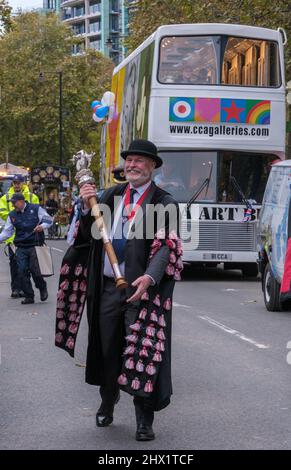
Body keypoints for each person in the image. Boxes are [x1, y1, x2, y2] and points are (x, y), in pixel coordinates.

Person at [55, 139, 183, 442]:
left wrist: (150, 278)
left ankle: (143, 419)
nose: (133, 165)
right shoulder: (110, 197)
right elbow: (88, 236)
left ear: (152, 167)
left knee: (142, 350)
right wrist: (87, 208)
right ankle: (107, 400)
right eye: (129, 160)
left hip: (143, 291)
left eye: (140, 161)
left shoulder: (162, 202)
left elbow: (166, 247)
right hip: (110, 288)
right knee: (107, 347)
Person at [0, 193, 53, 304]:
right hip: (21, 246)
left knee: (35, 270)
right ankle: (29, 296)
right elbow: (7, 232)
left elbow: (49, 220)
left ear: (22, 201)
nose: (13, 205)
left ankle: (42, 287)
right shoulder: (12, 215)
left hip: (35, 244)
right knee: (21, 271)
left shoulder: (36, 208)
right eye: (12, 203)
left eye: (15, 202)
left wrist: (42, 226)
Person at [0, 174, 39, 298]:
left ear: (24, 183)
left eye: (19, 182)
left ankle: (27, 289)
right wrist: (17, 218)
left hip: (31, 237)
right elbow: (2, 213)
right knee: (15, 264)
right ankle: (16, 289)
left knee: (30, 266)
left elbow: (38, 213)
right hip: (13, 238)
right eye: (15, 182)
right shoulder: (5, 197)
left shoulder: (32, 197)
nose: (16, 185)